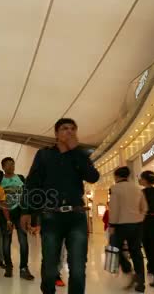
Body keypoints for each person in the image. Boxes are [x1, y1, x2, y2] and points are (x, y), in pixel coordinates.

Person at [21, 118, 100, 294]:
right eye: (65, 128)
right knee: (50, 266)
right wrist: (26, 211)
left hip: (76, 216)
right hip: (51, 216)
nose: (70, 131)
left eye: (73, 129)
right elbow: (32, 184)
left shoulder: (81, 155)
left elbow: (93, 177)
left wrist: (76, 151)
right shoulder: (44, 154)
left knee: (78, 266)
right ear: (56, 133)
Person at [108, 167, 148, 293]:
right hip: (137, 225)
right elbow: (145, 207)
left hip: (120, 225)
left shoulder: (115, 188)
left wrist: (112, 225)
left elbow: (114, 208)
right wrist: (139, 218)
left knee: (114, 248)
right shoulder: (137, 188)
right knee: (136, 251)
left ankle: (127, 268)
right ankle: (141, 282)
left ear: (116, 176)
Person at [0, 157, 34, 280]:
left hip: (20, 213)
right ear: (3, 167)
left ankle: (24, 268)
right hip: (5, 214)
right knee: (6, 242)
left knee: (23, 241)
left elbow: (26, 195)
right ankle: (8, 266)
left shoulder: (21, 178)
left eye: (12, 164)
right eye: (8, 164)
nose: (11, 166)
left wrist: (27, 214)